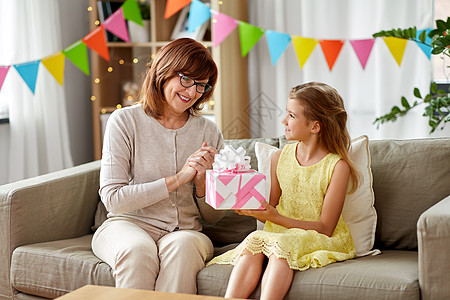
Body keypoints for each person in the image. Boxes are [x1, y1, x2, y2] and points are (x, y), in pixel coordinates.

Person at [92, 38, 225, 294]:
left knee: (184, 247)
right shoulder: (124, 121)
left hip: (185, 231)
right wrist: (180, 177)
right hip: (127, 225)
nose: (193, 91)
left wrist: (200, 184)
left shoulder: (208, 130)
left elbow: (214, 217)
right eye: (186, 79)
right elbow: (114, 199)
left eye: (201, 85)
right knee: (137, 251)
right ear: (164, 72)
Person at [207, 82, 359, 300]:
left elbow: (325, 228)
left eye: (291, 115)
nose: (284, 121)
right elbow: (271, 205)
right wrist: (248, 204)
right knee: (253, 241)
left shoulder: (337, 166)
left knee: (281, 248)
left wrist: (274, 216)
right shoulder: (279, 157)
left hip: (317, 236)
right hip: (279, 232)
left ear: (315, 126)